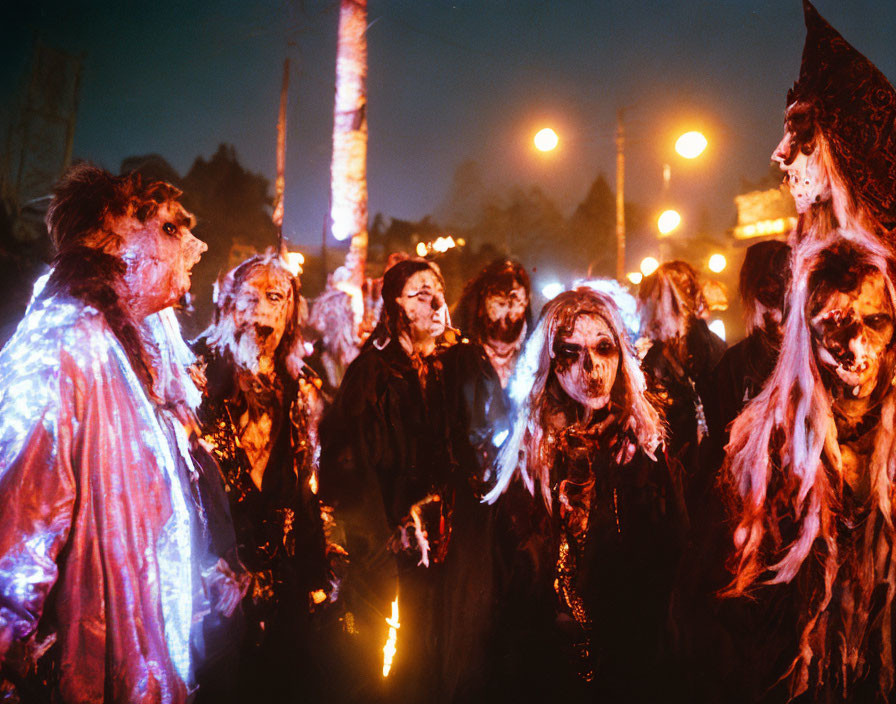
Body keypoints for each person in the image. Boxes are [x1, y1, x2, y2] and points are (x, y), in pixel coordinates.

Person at [0, 164, 243, 703]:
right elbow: (14, 545)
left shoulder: (130, 352)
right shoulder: (61, 346)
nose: (197, 247)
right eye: (173, 229)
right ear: (111, 228)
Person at [484, 287, 686, 703]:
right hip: (551, 667)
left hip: (633, 660)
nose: (590, 368)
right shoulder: (532, 456)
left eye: (603, 348)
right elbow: (514, 578)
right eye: (570, 353)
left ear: (621, 356)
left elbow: (673, 553)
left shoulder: (645, 449)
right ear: (551, 365)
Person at [319, 258, 505, 703]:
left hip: (454, 540)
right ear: (396, 306)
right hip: (393, 549)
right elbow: (349, 467)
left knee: (454, 644)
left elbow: (490, 436)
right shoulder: (372, 375)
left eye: (439, 290)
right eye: (421, 294)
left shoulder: (462, 363)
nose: (438, 301)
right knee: (399, 658)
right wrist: (382, 534)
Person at [191, 251, 329, 703]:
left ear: (291, 312)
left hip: (283, 587)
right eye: (250, 297)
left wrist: (320, 572)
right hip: (212, 592)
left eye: (276, 298)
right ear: (228, 304)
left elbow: (308, 490)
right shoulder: (192, 377)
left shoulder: (302, 388)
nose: (262, 313)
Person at [638, 260, 725, 506]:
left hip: (708, 466)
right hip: (669, 465)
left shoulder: (710, 349)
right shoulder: (654, 355)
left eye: (665, 302)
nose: (656, 312)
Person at [453, 258, 531, 389]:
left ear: (526, 302)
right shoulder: (459, 360)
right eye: (500, 301)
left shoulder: (536, 354)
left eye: (515, 300)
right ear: (483, 302)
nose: (507, 309)